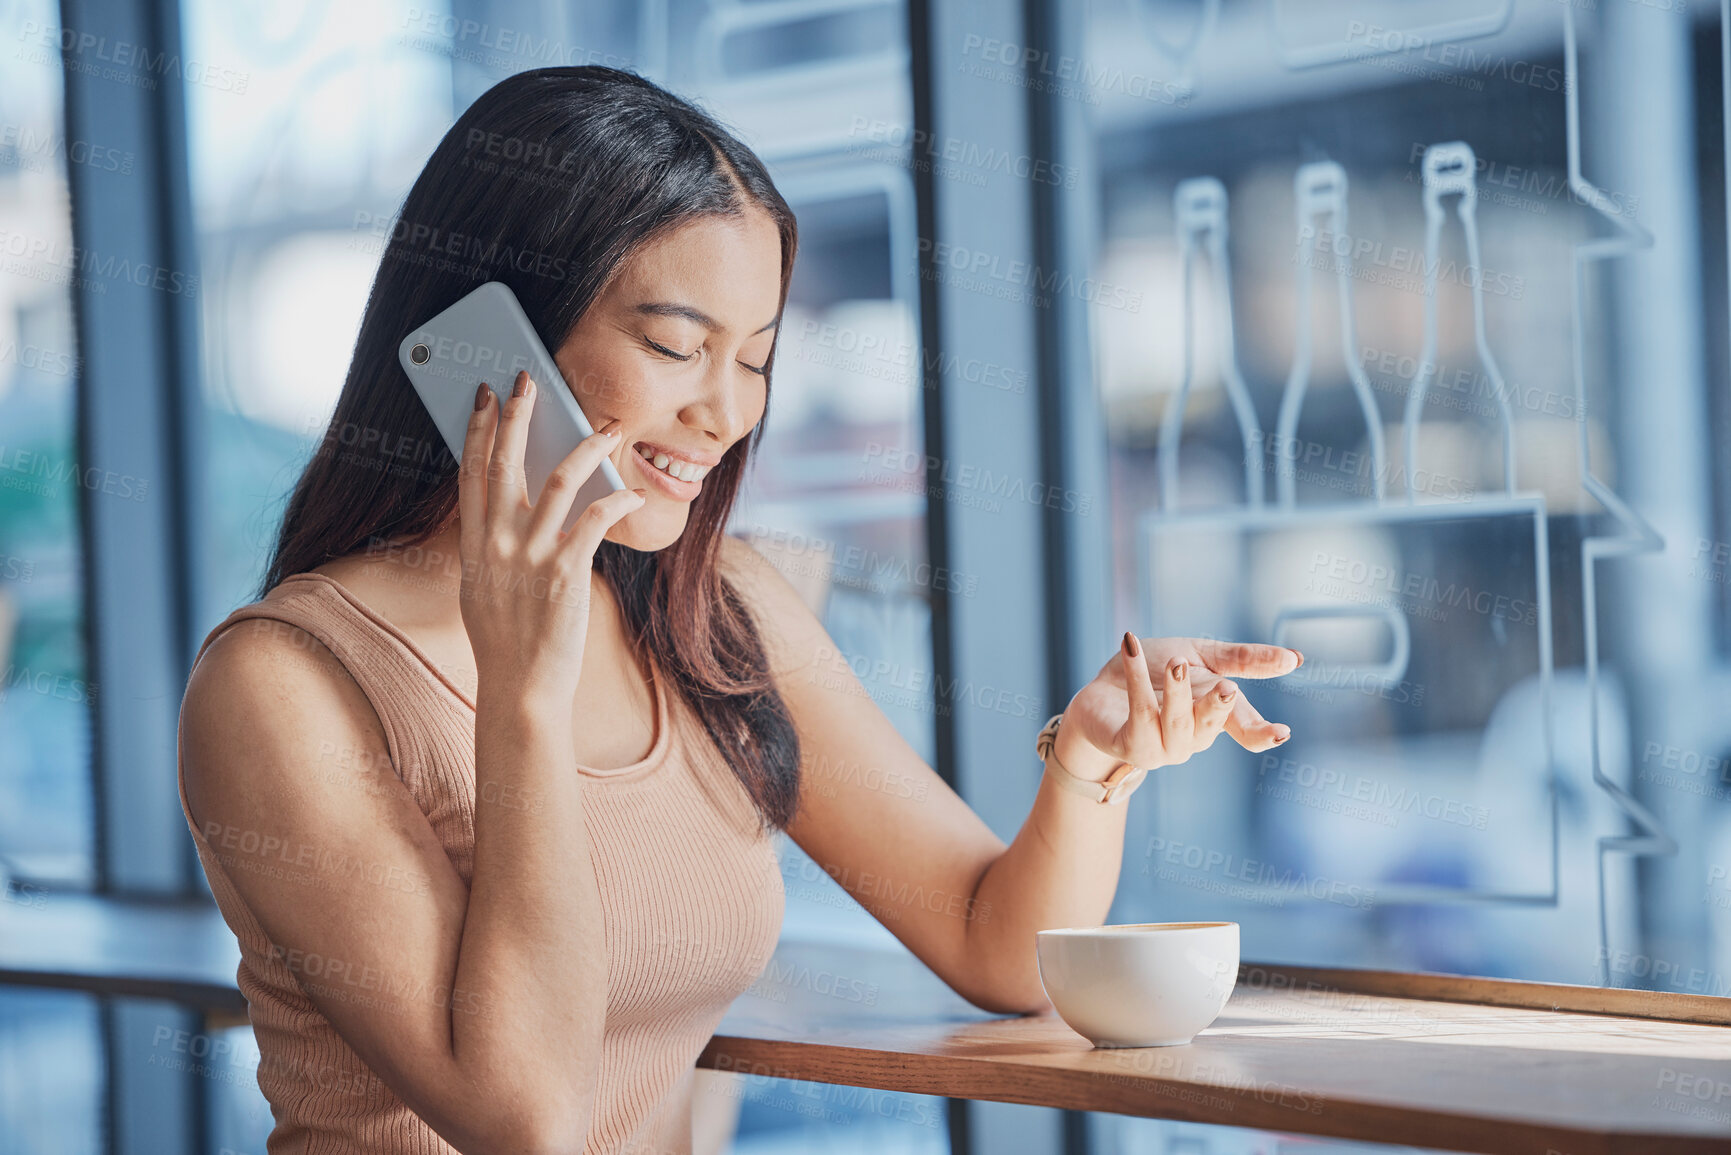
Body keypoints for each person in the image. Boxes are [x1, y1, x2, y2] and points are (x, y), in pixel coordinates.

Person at [177, 65, 1298, 1155]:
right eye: (674, 347)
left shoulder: (714, 614)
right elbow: (519, 1120)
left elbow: (992, 943)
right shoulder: (281, 687)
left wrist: (1089, 765)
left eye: (755, 358)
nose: (723, 414)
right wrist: (524, 696)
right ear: (491, 338)